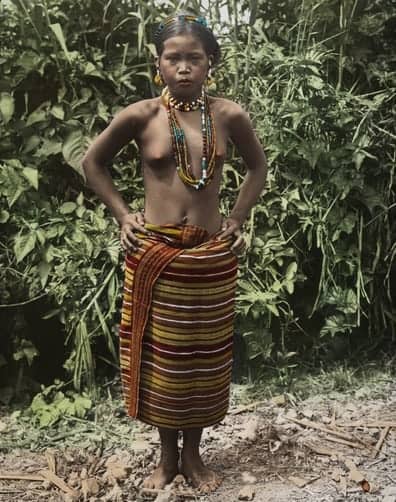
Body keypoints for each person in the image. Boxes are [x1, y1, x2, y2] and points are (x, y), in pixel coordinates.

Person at [82, 12, 267, 494]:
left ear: (211, 63)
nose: (183, 67)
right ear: (158, 63)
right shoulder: (141, 115)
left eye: (194, 58)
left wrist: (237, 220)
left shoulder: (228, 116)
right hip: (156, 254)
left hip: (209, 257)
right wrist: (124, 215)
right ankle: (167, 457)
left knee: (203, 360)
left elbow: (257, 168)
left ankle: (194, 454)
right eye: (173, 58)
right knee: (163, 361)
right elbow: (92, 163)